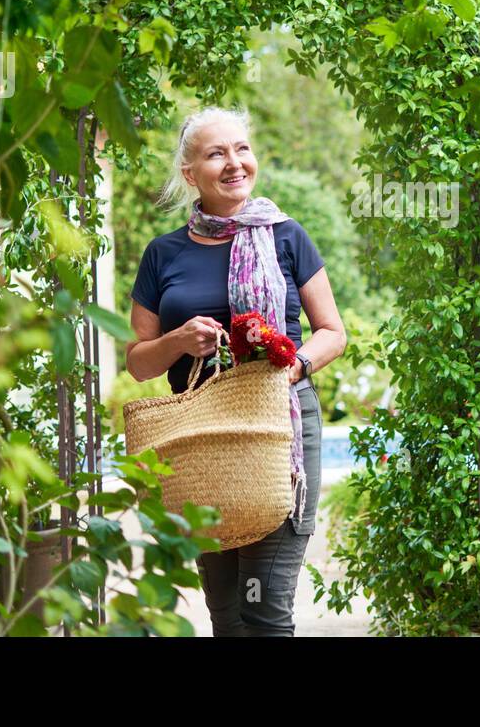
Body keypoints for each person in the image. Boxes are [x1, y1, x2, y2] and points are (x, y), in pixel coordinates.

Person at [126, 104, 347, 636]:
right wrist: (179, 340)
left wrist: (290, 366)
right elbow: (138, 361)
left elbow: (333, 333)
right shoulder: (163, 253)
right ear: (189, 173)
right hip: (201, 441)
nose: (234, 163)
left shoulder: (286, 236)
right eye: (216, 153)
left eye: (241, 148)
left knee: (266, 611)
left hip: (280, 429)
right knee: (225, 614)